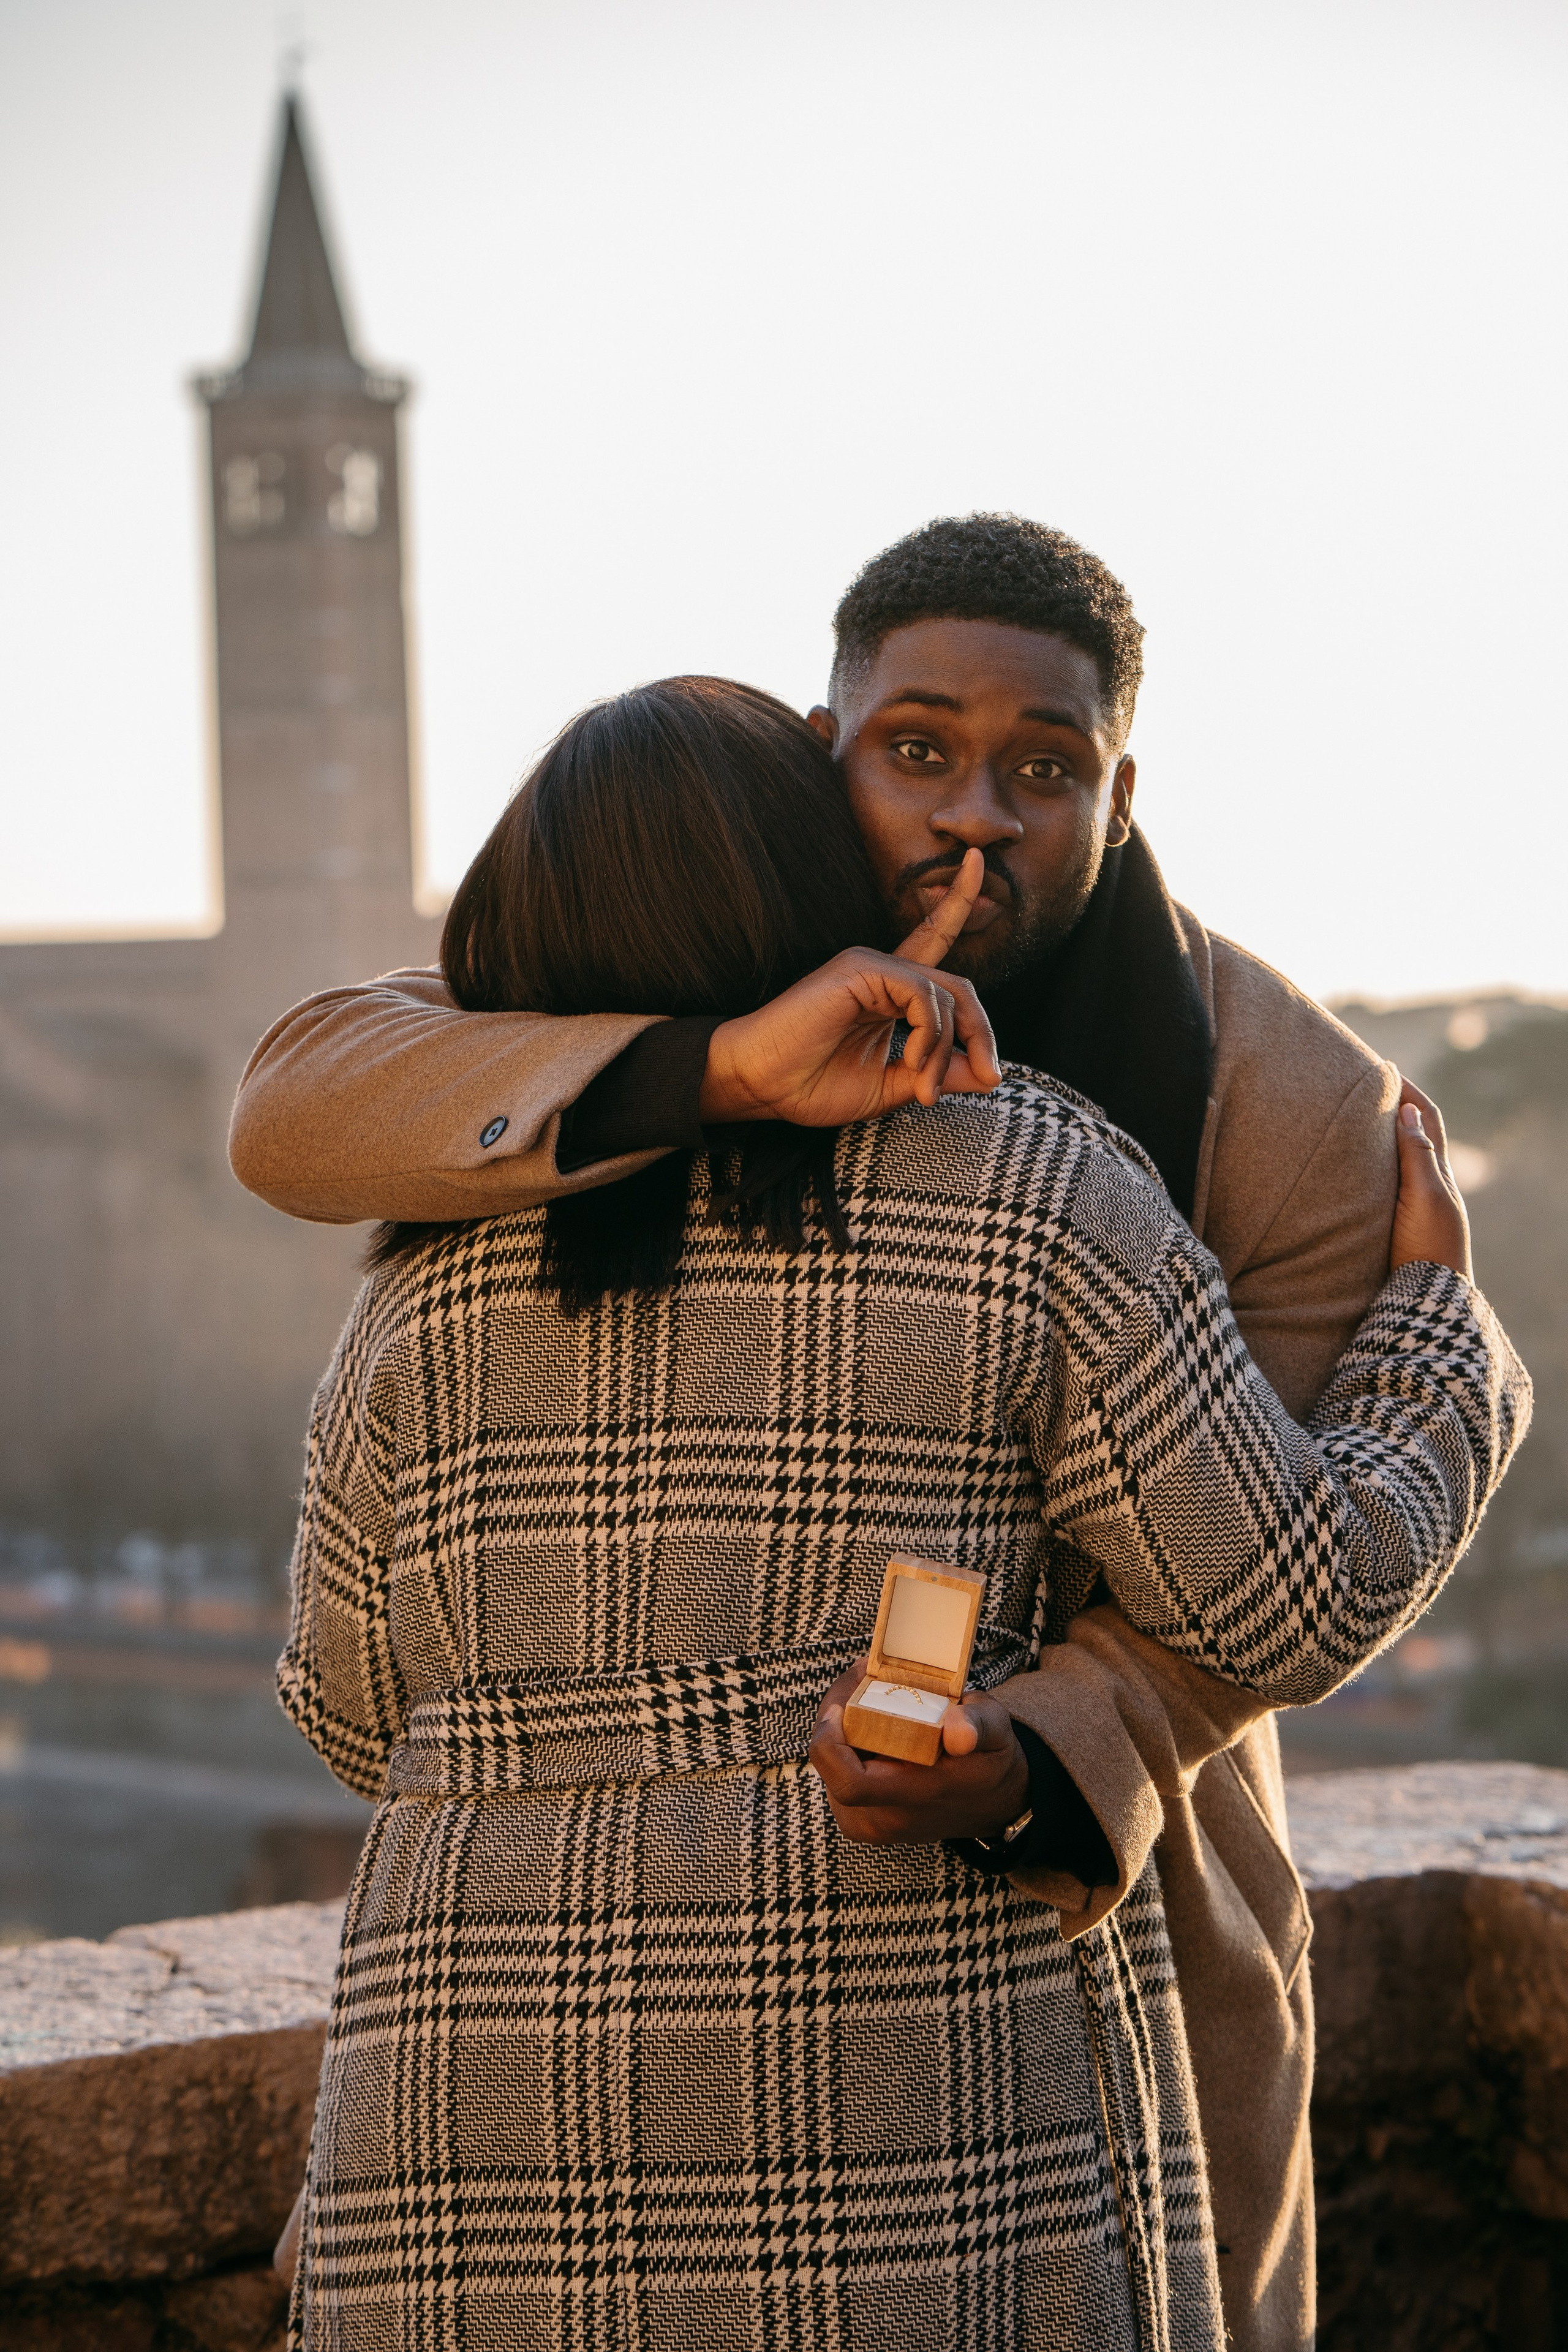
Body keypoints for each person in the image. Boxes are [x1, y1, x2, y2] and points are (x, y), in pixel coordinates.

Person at [235, 516, 1487, 2348]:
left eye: (1041, 768)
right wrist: (722, 1066)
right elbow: (297, 1102)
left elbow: (1245, 1609)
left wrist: (1032, 1753)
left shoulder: (1291, 1100)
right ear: (826, 754)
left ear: (1117, 791)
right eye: (916, 750)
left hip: (1077, 1907)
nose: (974, 810)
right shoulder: (662, 1006)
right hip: (915, 2125)